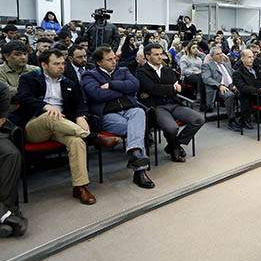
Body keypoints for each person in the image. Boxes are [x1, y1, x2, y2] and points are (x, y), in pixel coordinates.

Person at [9, 49, 112, 205]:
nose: (61, 67)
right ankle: (93, 137)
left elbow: (80, 104)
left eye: (63, 63)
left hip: (62, 127)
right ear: (44, 65)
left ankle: (80, 187)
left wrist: (80, 116)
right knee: (50, 115)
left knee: (76, 141)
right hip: (35, 126)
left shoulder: (69, 82)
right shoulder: (29, 79)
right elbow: (23, 98)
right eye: (56, 64)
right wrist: (45, 106)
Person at [81, 46, 155, 189]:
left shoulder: (123, 70)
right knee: (137, 129)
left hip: (129, 109)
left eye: (115, 58)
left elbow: (135, 85)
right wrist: (123, 91)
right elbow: (96, 95)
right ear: (99, 62)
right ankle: (140, 171)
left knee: (139, 113)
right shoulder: (89, 75)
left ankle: (135, 153)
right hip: (107, 114)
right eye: (109, 60)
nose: (114, 62)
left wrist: (111, 85)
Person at [137, 44, 204, 163]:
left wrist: (159, 90)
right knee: (172, 128)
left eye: (161, 54)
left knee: (198, 119)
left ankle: (174, 145)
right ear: (147, 56)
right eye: (156, 54)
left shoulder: (167, 69)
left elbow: (177, 87)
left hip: (173, 103)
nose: (160, 57)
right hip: (157, 106)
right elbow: (152, 88)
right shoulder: (142, 72)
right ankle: (174, 149)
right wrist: (170, 88)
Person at [0, 81, 28, 238]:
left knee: (11, 154)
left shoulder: (1, 88)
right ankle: (6, 215)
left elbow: (1, 120)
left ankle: (7, 210)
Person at [201, 47, 241, 131]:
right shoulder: (207, 65)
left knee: (244, 92)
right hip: (217, 89)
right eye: (217, 54)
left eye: (221, 53)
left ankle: (245, 118)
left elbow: (234, 75)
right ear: (212, 56)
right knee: (230, 95)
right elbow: (206, 78)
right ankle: (232, 120)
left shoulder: (226, 64)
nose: (221, 55)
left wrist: (236, 84)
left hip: (231, 86)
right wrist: (219, 85)